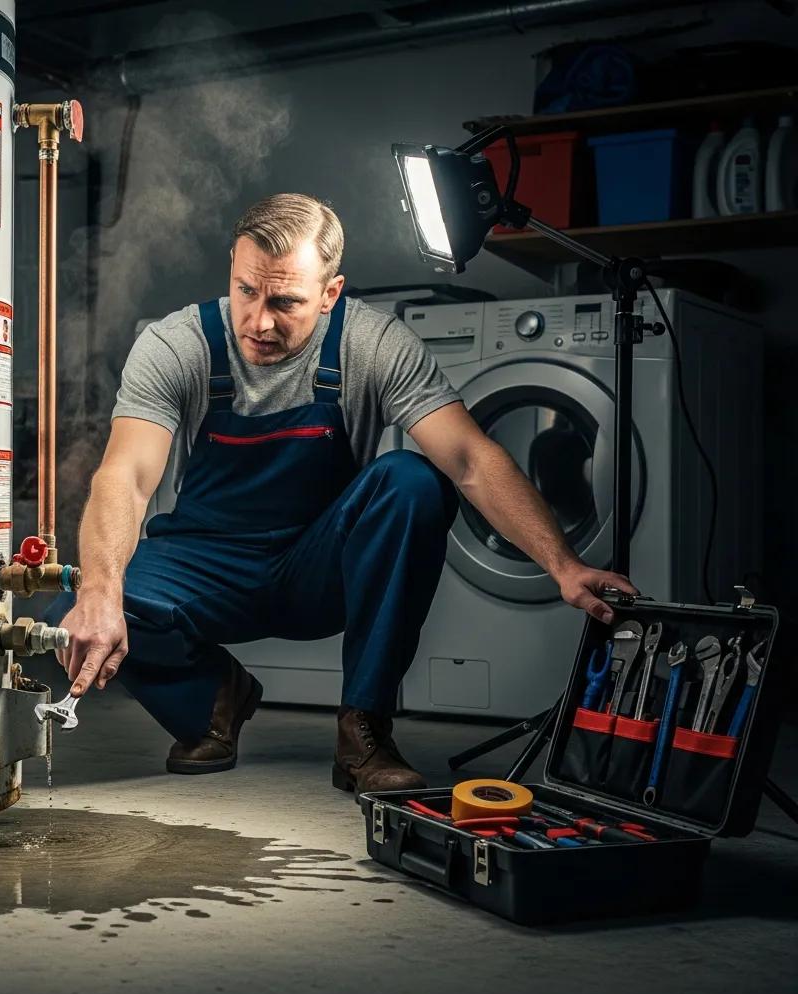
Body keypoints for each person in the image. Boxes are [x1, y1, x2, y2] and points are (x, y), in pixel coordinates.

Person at [48, 193, 636, 795]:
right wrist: (99, 592)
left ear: (330, 294)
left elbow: (470, 460)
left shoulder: (373, 344)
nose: (259, 322)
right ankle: (213, 701)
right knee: (72, 606)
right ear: (233, 267)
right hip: (209, 565)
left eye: (286, 302)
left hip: (318, 567)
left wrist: (563, 565)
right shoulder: (178, 344)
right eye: (247, 291)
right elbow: (127, 476)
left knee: (413, 481)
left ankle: (364, 732)